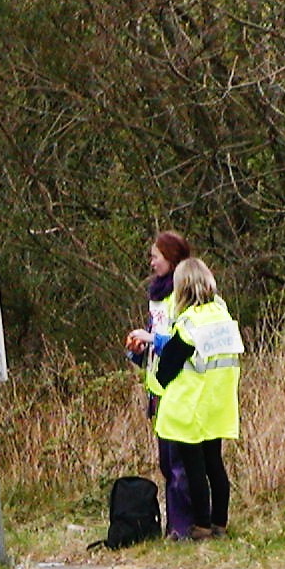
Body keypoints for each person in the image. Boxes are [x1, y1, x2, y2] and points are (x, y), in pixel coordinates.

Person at [153, 258, 241, 540]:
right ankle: (220, 524)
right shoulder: (223, 316)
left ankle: (202, 524)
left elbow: (168, 364)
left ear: (183, 287)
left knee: (195, 468)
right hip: (219, 402)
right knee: (215, 464)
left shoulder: (190, 321)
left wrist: (158, 383)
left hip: (191, 405)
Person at [124, 231, 194, 540]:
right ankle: (173, 526)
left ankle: (184, 527)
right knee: (167, 462)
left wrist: (154, 339)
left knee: (180, 463)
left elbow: (186, 342)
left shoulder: (184, 297)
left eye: (156, 256)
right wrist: (138, 349)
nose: (152, 262)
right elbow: (153, 339)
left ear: (172, 258)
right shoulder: (156, 297)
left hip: (180, 387)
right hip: (158, 389)